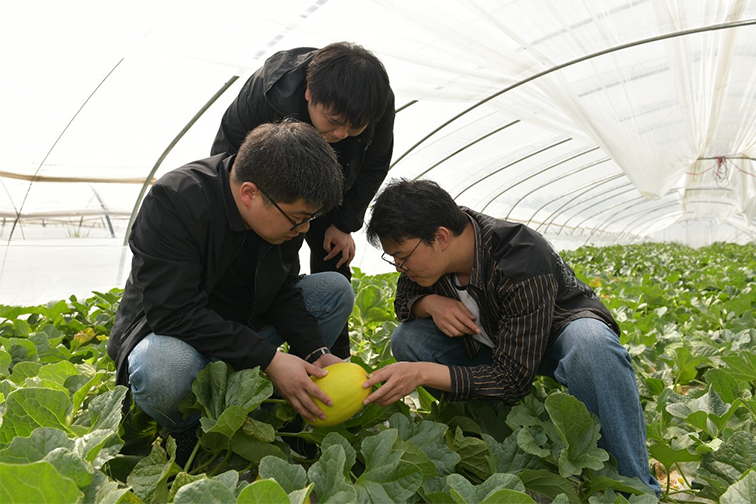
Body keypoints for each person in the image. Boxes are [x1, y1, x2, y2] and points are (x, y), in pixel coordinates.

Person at [361, 179, 661, 496]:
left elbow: (513, 377)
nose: (399, 266)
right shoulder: (424, 264)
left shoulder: (519, 253)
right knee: (408, 338)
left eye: (403, 256)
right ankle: (495, 435)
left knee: (592, 345)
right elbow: (403, 302)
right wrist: (428, 303)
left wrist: (422, 373)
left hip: (555, 336)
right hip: (498, 342)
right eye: (392, 257)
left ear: (441, 237)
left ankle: (637, 489)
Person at [108, 121, 353, 458]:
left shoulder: (279, 216)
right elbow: (173, 313)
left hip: (241, 333)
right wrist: (269, 359)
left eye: (310, 218)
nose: (305, 229)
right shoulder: (175, 200)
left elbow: (283, 289)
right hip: (174, 337)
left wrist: (314, 350)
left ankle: (278, 399)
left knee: (334, 289)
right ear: (249, 194)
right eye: (298, 218)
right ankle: (188, 430)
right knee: (164, 370)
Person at [211, 42, 395, 359]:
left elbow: (375, 164)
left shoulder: (374, 101)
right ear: (309, 92)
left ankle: (328, 357)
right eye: (333, 120)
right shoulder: (266, 93)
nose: (341, 134)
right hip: (274, 190)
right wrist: (242, 214)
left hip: (333, 186)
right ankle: (233, 350)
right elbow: (228, 158)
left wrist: (343, 223)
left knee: (333, 262)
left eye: (355, 127)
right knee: (260, 262)